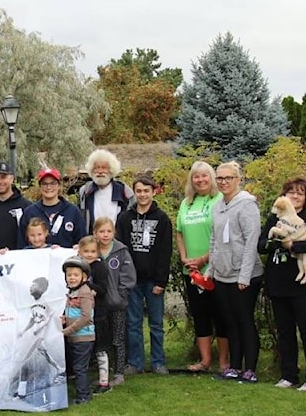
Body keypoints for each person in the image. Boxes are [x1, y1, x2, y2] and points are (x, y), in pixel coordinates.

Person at [258, 178, 306, 392]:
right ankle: (289, 374)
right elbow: (262, 245)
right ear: (284, 196)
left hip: (302, 285)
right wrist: (278, 242)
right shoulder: (275, 217)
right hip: (278, 282)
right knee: (285, 331)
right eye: (291, 192)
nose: (295, 196)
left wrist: (294, 245)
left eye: (300, 193)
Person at [208, 162, 264, 383]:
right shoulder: (218, 206)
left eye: (228, 178)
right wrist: (211, 269)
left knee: (244, 320)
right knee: (230, 322)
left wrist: (244, 276)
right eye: (220, 178)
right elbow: (214, 240)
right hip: (222, 274)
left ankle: (250, 368)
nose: (223, 182)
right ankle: (234, 366)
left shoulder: (247, 205)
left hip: (244, 275)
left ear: (238, 179)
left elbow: (252, 241)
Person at [176, 161, 229, 373]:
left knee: (221, 315)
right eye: (196, 177)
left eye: (204, 176)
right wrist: (184, 258)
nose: (200, 180)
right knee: (200, 315)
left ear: (212, 178)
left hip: (215, 269)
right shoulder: (186, 203)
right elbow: (179, 232)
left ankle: (224, 362)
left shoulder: (220, 200)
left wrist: (205, 258)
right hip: (192, 271)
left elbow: (224, 236)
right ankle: (205, 361)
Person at [116, 175, 172, 375]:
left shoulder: (162, 218)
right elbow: (120, 249)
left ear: (153, 192)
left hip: (153, 280)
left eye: (146, 191)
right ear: (134, 193)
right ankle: (135, 362)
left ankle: (158, 361)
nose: (142, 195)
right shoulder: (125, 218)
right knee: (133, 323)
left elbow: (165, 251)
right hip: (132, 280)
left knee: (156, 323)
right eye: (138, 191)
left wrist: (161, 280)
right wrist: (124, 277)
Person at [94, 216, 136, 386]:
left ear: (114, 233)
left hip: (116, 304)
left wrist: (121, 294)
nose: (105, 235)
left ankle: (119, 373)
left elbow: (128, 275)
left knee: (118, 339)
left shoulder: (121, 251)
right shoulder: (91, 250)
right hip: (98, 305)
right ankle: (104, 373)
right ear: (95, 233)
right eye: (101, 231)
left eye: (109, 231)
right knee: (101, 340)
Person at [18, 168, 86, 248]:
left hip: (66, 260)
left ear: (59, 185)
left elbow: (83, 242)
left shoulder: (73, 211)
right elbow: (21, 244)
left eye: (53, 183)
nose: (49, 187)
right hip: (36, 259)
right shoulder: (29, 212)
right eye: (44, 184)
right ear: (40, 186)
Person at [61, 255, 95, 405]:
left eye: (75, 275)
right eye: (69, 275)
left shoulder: (85, 292)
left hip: (83, 336)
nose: (72, 278)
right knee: (77, 366)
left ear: (84, 276)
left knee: (80, 367)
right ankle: (82, 391)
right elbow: (72, 313)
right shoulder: (72, 292)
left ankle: (83, 396)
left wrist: (68, 330)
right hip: (75, 336)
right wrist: (64, 319)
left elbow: (86, 317)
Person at [78, 236, 110, 392]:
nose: (89, 254)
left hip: (98, 315)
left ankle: (104, 382)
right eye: (86, 251)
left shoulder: (100, 267)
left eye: (92, 251)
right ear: (79, 251)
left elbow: (103, 288)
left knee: (100, 348)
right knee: (84, 347)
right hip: (82, 315)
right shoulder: (77, 267)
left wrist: (89, 286)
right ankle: (81, 377)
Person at [77, 149, 134, 232]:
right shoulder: (85, 192)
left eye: (104, 168)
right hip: (92, 241)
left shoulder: (123, 191)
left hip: (117, 241)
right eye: (97, 168)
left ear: (111, 170)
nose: (100, 171)